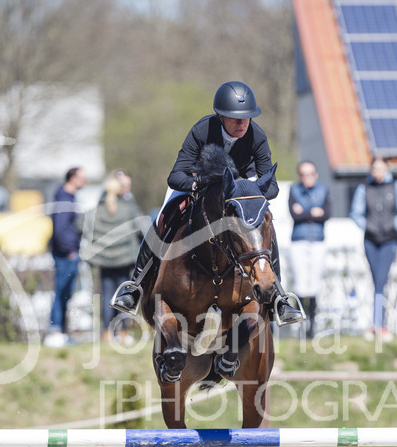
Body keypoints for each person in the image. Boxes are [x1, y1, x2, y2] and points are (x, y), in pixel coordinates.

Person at [110, 80, 305, 326]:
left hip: (241, 189)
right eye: (235, 118)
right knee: (163, 217)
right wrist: (198, 183)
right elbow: (175, 176)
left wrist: (250, 187)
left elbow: (272, 187)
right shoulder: (202, 130)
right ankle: (135, 287)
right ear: (221, 116)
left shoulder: (257, 136)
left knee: (264, 227)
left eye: (246, 118)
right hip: (198, 184)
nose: (242, 124)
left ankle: (278, 297)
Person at [349, 156, 397, 342]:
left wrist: (393, 225)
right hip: (370, 240)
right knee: (376, 282)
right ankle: (376, 324)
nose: (377, 171)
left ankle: (380, 325)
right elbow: (356, 213)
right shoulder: (364, 188)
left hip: (389, 240)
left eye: (381, 168)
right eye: (374, 168)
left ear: (387, 169)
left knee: (382, 281)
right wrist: (368, 226)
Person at [83, 171, 146, 342]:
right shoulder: (128, 207)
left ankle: (107, 332)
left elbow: (80, 224)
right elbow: (143, 227)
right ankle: (123, 332)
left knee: (106, 294)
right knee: (123, 295)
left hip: (103, 260)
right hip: (125, 259)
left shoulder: (98, 208)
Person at [45, 166, 88, 347]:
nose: (85, 181)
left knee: (66, 293)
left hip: (68, 252)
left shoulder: (69, 198)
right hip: (65, 254)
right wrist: (69, 250)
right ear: (73, 178)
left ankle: (61, 331)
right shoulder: (64, 198)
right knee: (61, 291)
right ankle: (54, 331)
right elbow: (60, 229)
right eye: (82, 177)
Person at [288, 160, 330, 339]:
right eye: (304, 174)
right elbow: (294, 214)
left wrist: (303, 211)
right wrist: (312, 212)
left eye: (310, 174)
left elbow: (326, 214)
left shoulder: (323, 190)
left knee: (314, 284)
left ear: (316, 174)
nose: (307, 178)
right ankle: (300, 323)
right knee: (300, 283)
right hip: (299, 240)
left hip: (317, 240)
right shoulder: (294, 190)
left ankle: (312, 325)